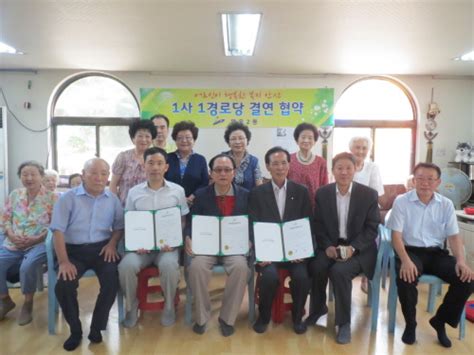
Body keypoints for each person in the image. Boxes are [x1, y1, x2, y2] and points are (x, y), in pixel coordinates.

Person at [386, 162, 474, 348]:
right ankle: (411, 325)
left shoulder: (446, 204)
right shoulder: (402, 201)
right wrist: (405, 260)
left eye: (430, 179)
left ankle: (440, 320)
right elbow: (396, 237)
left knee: (467, 279)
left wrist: (461, 261)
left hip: (436, 254)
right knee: (406, 277)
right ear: (414, 180)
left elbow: (454, 236)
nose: (425, 183)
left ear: (438, 182)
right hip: (409, 251)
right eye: (420, 178)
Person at [50, 158, 124, 351]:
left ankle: (97, 328)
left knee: (111, 280)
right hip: (72, 251)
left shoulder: (112, 199)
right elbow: (57, 231)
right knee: (64, 285)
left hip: (102, 249)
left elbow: (118, 227)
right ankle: (75, 330)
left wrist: (112, 243)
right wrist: (64, 261)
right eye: (93, 173)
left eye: (103, 173)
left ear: (108, 177)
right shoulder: (67, 198)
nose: (98, 178)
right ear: (83, 174)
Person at [306, 152, 379, 344]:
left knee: (340, 271)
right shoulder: (323, 193)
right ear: (333, 171)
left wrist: (353, 248)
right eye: (339, 168)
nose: (344, 172)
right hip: (331, 244)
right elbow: (318, 225)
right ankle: (318, 309)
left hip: (359, 248)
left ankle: (343, 323)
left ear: (355, 170)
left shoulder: (368, 194)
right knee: (316, 265)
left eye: (348, 168)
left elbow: (372, 229)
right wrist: (328, 246)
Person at [119, 147, 188, 328]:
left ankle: (168, 306)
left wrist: (174, 241)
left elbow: (183, 221)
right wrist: (136, 243)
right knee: (126, 265)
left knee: (169, 265)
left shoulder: (177, 191)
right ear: (144, 165)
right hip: (142, 249)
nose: (155, 167)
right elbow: (130, 221)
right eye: (151, 163)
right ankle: (132, 305)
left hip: (168, 248)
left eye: (159, 163)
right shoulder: (134, 192)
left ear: (166, 167)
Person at [249, 146, 312, 335]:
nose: (280, 167)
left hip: (294, 252)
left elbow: (306, 222)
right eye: (275, 163)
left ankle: (297, 317)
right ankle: (264, 316)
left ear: (289, 165)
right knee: (269, 276)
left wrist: (302, 251)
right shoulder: (257, 193)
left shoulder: (301, 191)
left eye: (283, 162)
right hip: (268, 252)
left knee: (302, 276)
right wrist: (260, 254)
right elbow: (253, 226)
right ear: (268, 166)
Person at [185, 154, 250, 337]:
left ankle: (227, 318)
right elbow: (191, 222)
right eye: (218, 170)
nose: (223, 173)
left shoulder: (245, 195)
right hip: (207, 247)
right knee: (196, 267)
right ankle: (202, 317)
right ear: (211, 174)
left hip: (234, 247)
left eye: (227, 170)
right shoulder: (200, 195)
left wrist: (250, 240)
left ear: (234, 173)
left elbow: (252, 222)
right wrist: (188, 237)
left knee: (240, 268)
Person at [0, 161, 57, 325]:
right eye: (25, 174)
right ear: (20, 177)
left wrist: (37, 238)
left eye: (33, 174)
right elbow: (5, 220)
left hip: (38, 243)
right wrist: (11, 235)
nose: (29, 178)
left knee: (27, 265)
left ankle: (27, 303)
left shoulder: (52, 197)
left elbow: (55, 226)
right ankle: (5, 299)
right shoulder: (14, 194)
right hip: (14, 242)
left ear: (41, 176)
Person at [349, 135, 384, 293]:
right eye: (357, 147)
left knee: (373, 239)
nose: (360, 151)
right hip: (347, 212)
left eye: (364, 148)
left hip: (367, 212)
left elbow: (375, 193)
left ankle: (367, 277)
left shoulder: (372, 167)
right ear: (351, 149)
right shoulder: (346, 165)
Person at [110, 119, 157, 205]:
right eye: (140, 136)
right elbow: (113, 185)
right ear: (133, 139)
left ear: (152, 139)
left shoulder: (156, 158)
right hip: (125, 207)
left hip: (149, 208)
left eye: (147, 136)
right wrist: (115, 205)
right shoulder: (123, 157)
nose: (144, 140)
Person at [165, 120, 209, 206]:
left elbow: (205, 182)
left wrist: (193, 196)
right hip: (170, 202)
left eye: (188, 137)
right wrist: (179, 198)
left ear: (194, 139)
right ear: (175, 140)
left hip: (194, 203)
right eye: (180, 138)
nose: (184, 141)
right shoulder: (167, 158)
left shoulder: (200, 159)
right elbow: (163, 180)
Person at [288, 123, 328, 209]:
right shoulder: (289, 159)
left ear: (314, 141)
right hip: (292, 205)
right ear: (296, 140)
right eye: (303, 137)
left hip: (314, 206)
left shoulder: (321, 162)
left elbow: (324, 186)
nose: (306, 140)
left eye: (310, 138)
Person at [222, 122, 263, 190]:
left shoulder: (254, 161)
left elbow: (259, 186)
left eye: (241, 138)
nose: (237, 142)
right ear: (228, 143)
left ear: (247, 141)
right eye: (233, 139)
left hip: (248, 199)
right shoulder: (222, 159)